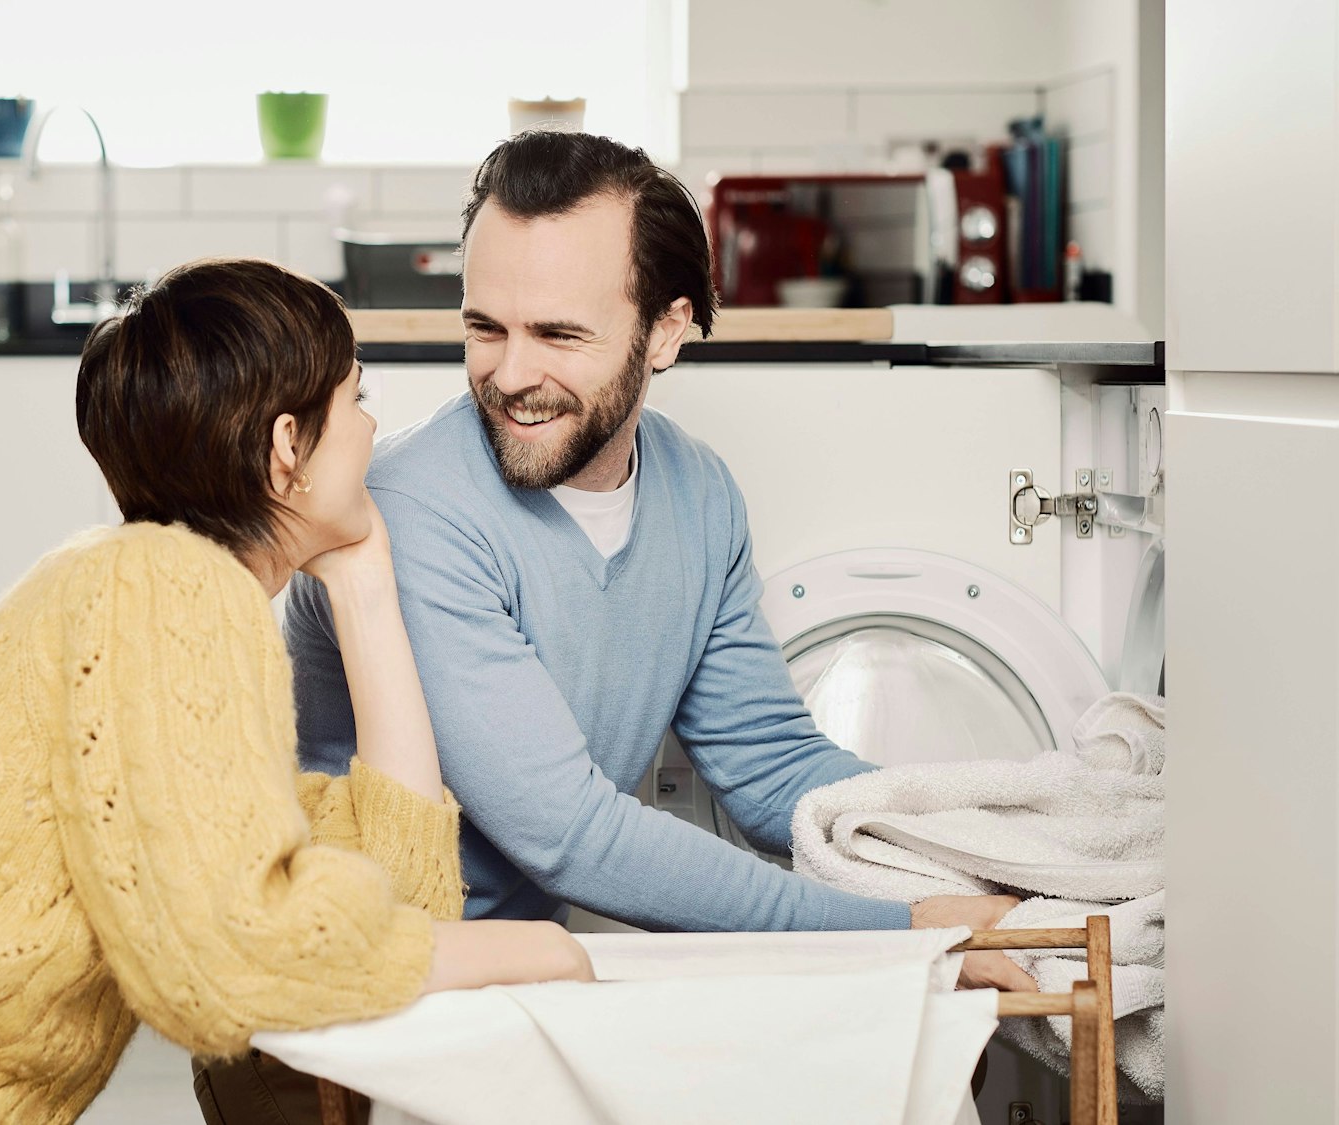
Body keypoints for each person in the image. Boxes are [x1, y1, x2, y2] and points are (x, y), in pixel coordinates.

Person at [0, 257, 594, 1125]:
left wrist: (365, 586)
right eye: (355, 396)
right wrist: (534, 946)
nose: (369, 428)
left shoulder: (152, 594)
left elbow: (400, 894)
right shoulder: (164, 585)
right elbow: (234, 960)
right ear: (287, 447)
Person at [285, 131, 1037, 991]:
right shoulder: (416, 512)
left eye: (560, 334)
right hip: (353, 1002)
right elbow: (571, 835)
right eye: (485, 327)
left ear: (665, 331)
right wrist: (899, 929)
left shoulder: (698, 493)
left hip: (508, 981)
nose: (510, 373)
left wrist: (987, 850)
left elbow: (772, 767)